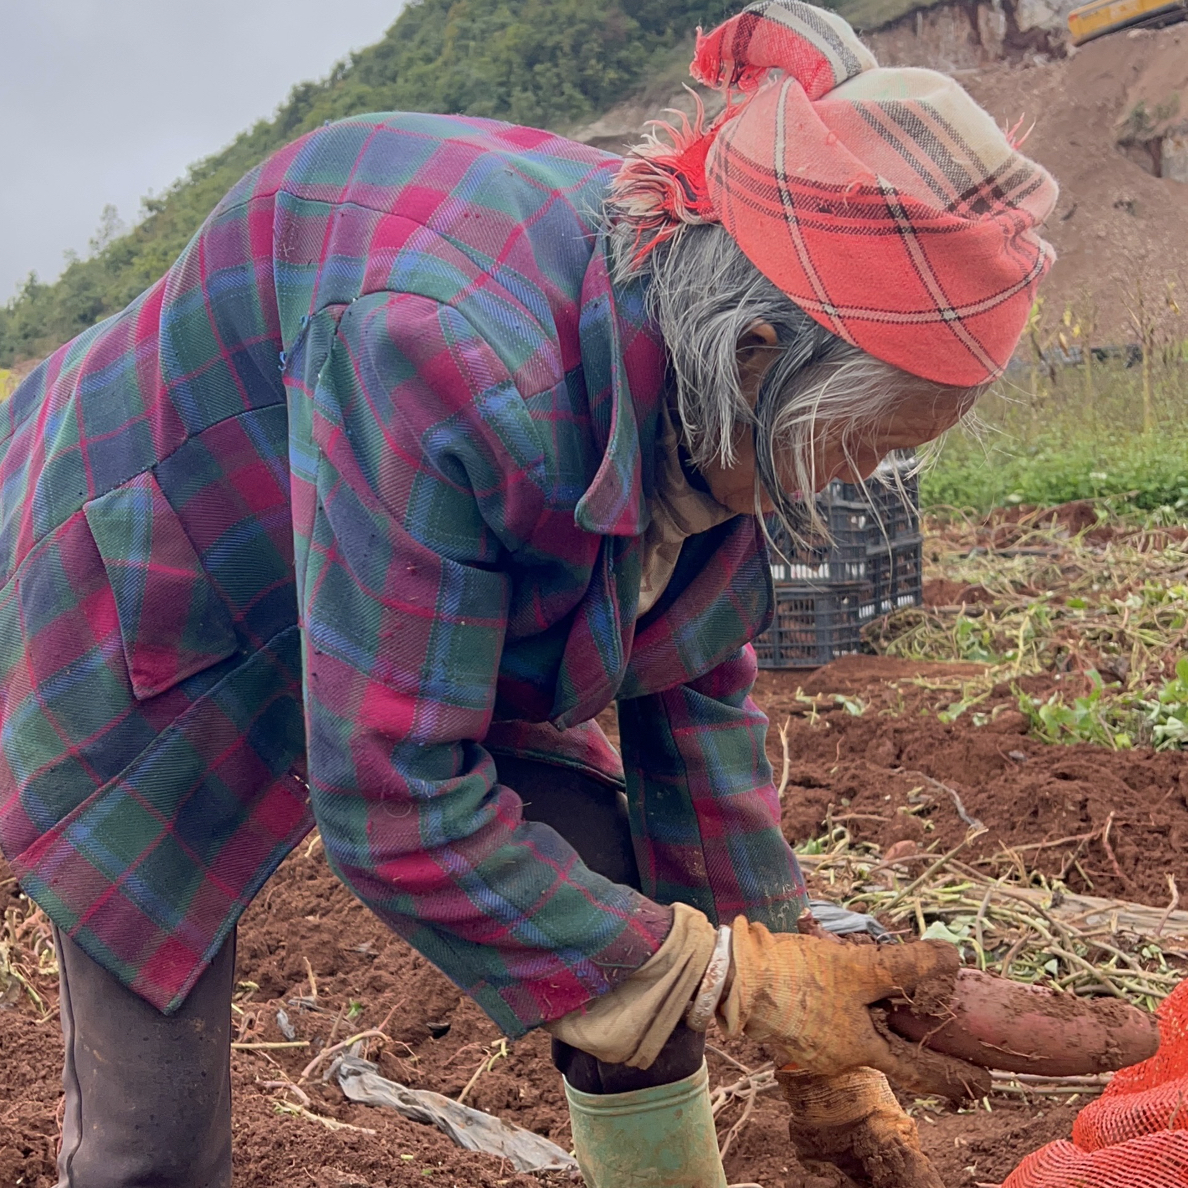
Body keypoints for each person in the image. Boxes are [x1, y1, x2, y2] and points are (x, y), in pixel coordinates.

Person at [0, 3, 1057, 1185]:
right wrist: (713, 977)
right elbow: (390, 797)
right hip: (177, 573)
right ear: (757, 353)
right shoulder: (449, 354)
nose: (872, 472)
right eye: (864, 439)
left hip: (408, 528)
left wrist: (805, 1027)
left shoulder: (716, 376)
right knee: (154, 1127)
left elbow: (696, 706)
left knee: (610, 902)